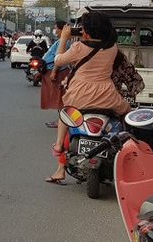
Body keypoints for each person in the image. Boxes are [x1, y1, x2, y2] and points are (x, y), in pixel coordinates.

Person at [46, 11, 130, 184]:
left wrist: (64, 38)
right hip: (108, 96)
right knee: (127, 115)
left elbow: (58, 61)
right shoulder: (112, 48)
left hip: (79, 96)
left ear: (89, 31)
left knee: (66, 115)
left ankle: (59, 148)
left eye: (83, 29)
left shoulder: (79, 48)